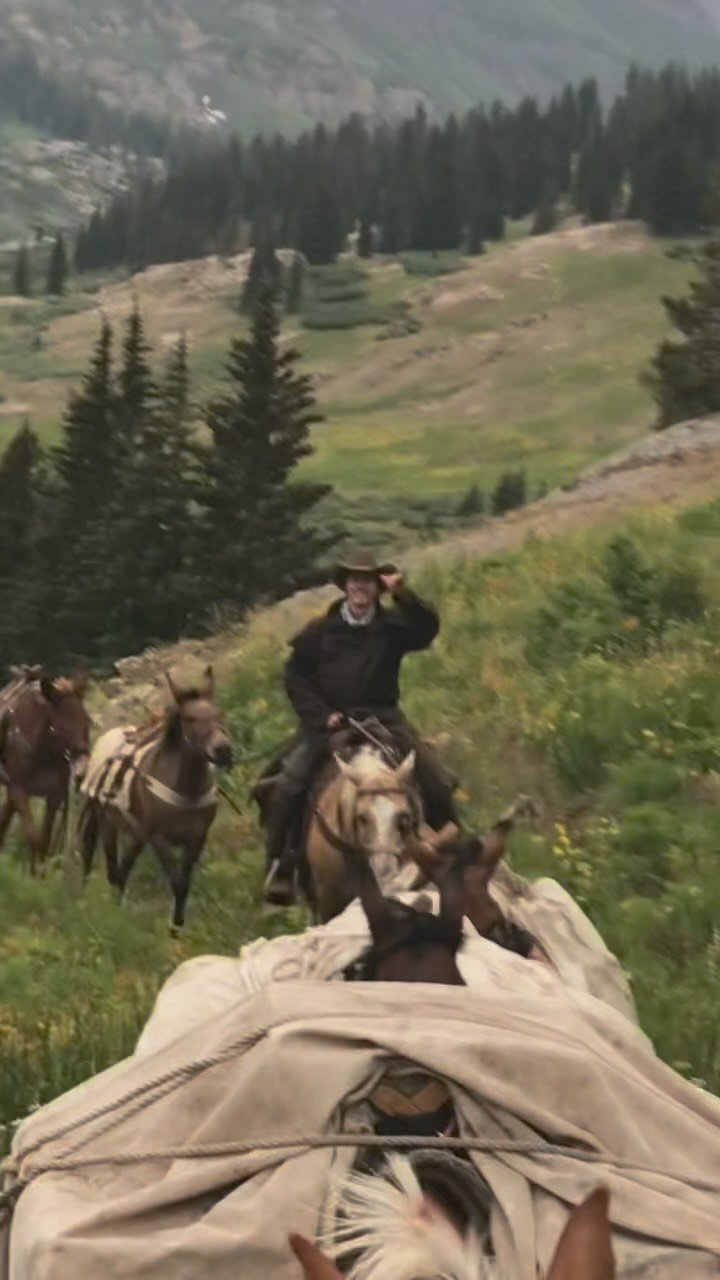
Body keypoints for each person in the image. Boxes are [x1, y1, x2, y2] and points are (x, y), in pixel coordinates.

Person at [262, 549, 459, 905]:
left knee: (437, 782)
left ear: (377, 587)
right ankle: (282, 866)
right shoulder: (320, 631)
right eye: (354, 580)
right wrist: (321, 715)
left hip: (384, 719)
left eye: (367, 581)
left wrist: (403, 594)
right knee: (287, 785)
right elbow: (295, 676)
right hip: (330, 723)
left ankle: (449, 859)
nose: (360, 587)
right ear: (345, 585)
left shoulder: (392, 628)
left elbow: (427, 629)